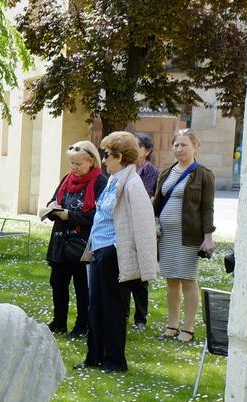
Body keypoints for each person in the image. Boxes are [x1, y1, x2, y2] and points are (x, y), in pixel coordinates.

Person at [81, 131, 158, 373]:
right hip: (100, 251)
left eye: (107, 155)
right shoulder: (114, 179)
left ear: (120, 157)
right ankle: (94, 357)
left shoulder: (133, 183)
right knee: (95, 306)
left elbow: (144, 226)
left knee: (113, 308)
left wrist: (145, 266)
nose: (103, 160)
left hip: (114, 253)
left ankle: (115, 362)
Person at [154, 128, 216, 342]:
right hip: (166, 236)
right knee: (171, 280)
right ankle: (172, 325)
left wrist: (208, 236)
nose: (179, 149)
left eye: (184, 145)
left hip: (188, 235)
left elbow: (207, 208)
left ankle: (188, 328)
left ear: (195, 147)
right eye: (176, 145)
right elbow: (157, 201)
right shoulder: (166, 172)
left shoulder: (203, 174)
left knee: (188, 279)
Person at [41, 140, 106, 336]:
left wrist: (70, 215)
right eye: (71, 163)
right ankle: (59, 322)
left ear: (91, 161)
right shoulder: (66, 179)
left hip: (83, 243)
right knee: (58, 283)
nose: (74, 167)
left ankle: (82, 325)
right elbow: (54, 200)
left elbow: (97, 215)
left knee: (82, 287)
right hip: (61, 240)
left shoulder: (100, 182)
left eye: (78, 163)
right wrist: (52, 208)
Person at [128, 133, 160, 330]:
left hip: (143, 228)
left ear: (147, 151)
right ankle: (122, 313)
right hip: (125, 226)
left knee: (141, 278)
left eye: (137, 145)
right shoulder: (125, 170)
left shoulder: (155, 173)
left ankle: (140, 318)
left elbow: (157, 200)